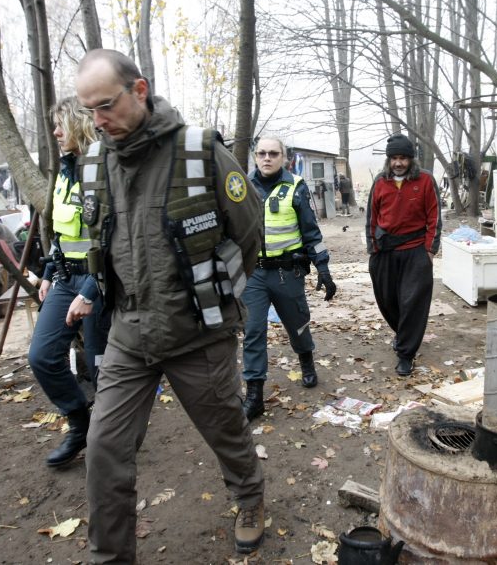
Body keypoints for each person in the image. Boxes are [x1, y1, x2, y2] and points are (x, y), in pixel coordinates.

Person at [75, 49, 266, 558]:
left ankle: (250, 498)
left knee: (225, 428)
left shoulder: (200, 151)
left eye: (107, 105)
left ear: (139, 91)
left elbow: (248, 230)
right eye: (88, 110)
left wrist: (215, 297)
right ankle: (110, 556)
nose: (98, 120)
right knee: (104, 449)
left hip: (197, 333)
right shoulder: (95, 163)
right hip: (128, 336)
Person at [26, 97, 109, 468]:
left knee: (100, 365)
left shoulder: (105, 167)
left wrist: (91, 290)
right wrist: (47, 272)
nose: (56, 132)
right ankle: (79, 421)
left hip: (101, 280)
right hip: (65, 277)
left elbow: (115, 236)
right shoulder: (64, 171)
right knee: (42, 356)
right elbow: (60, 232)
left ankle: (111, 435)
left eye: (61, 124)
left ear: (80, 123)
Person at [240, 137, 337, 421]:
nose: (267, 158)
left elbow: (311, 232)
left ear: (284, 157)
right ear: (255, 157)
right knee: (253, 331)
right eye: (261, 153)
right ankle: (254, 395)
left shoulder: (296, 186)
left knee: (298, 324)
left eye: (273, 153)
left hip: (287, 273)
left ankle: (306, 360)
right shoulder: (242, 187)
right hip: (254, 274)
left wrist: (323, 268)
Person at [366, 133, 442, 376]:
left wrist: (430, 250)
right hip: (385, 250)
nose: (398, 163)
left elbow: (435, 217)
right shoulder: (380, 182)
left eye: (403, 158)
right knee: (387, 299)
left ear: (411, 159)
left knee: (412, 303)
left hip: (415, 249)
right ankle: (402, 333)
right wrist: (372, 248)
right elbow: (371, 217)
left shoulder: (426, 180)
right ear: (388, 160)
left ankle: (406, 354)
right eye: (394, 158)